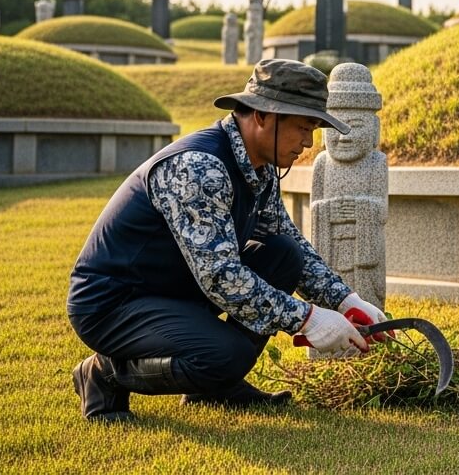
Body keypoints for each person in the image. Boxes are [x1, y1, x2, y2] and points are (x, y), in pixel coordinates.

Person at [68, 59, 386, 421]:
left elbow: (287, 239)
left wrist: (345, 299)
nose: (308, 143)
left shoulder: (260, 168)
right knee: (226, 355)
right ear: (263, 116)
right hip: (115, 302)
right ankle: (103, 372)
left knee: (284, 255)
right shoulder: (198, 166)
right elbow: (220, 277)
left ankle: (215, 388)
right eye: (302, 127)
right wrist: (309, 319)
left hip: (175, 290)